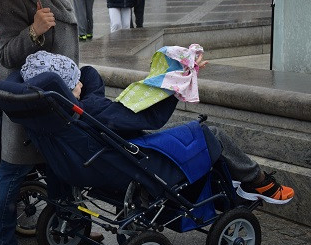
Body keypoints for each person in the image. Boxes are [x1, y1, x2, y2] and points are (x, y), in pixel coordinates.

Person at [20, 50, 294, 204]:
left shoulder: (54, 113)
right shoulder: (98, 111)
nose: (82, 80)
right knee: (213, 134)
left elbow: (90, 86)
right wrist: (184, 77)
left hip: (88, 164)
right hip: (132, 165)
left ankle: (239, 182)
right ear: (69, 89)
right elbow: (146, 114)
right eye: (75, 79)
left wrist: (83, 83)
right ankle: (257, 181)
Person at [0, 0, 79, 245]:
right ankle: (0, 244)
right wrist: (34, 31)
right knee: (13, 167)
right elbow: (5, 57)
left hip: (60, 95)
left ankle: (66, 228)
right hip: (26, 97)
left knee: (61, 163)